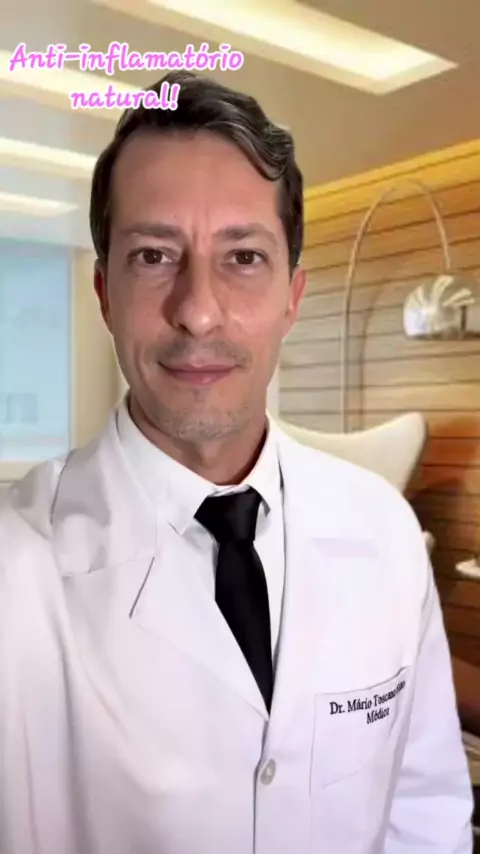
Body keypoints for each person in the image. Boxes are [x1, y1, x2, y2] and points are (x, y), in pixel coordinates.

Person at [0, 70, 473, 854]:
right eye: (154, 254)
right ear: (105, 292)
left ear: (293, 296)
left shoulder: (385, 533)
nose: (198, 310)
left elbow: (424, 814)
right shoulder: (15, 571)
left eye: (243, 256)